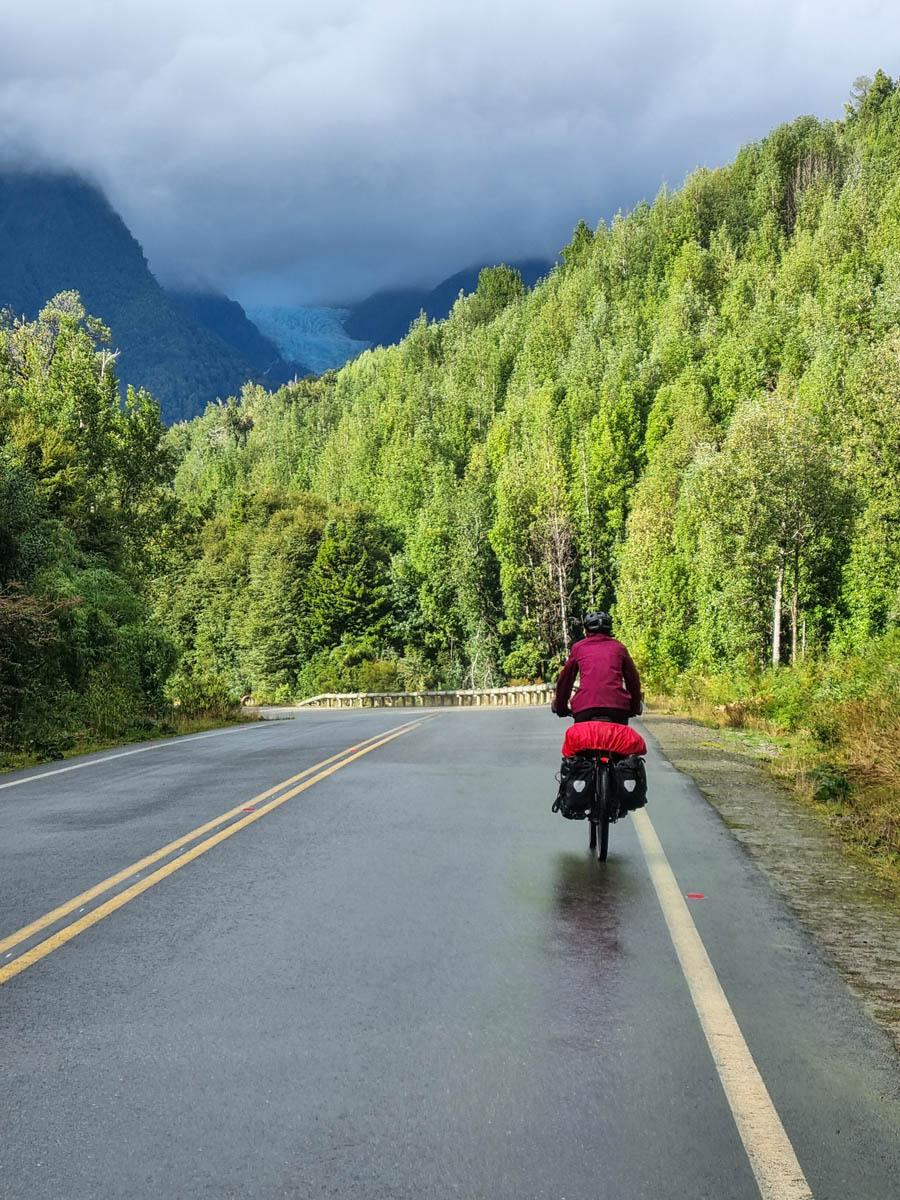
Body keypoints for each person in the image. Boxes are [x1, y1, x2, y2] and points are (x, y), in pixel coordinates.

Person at [552, 611, 642, 724]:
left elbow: (566, 680)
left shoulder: (578, 648)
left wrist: (560, 707)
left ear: (586, 631)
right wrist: (635, 707)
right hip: (617, 707)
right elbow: (633, 680)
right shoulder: (619, 648)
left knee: (579, 740)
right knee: (621, 740)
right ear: (609, 631)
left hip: (585, 707)